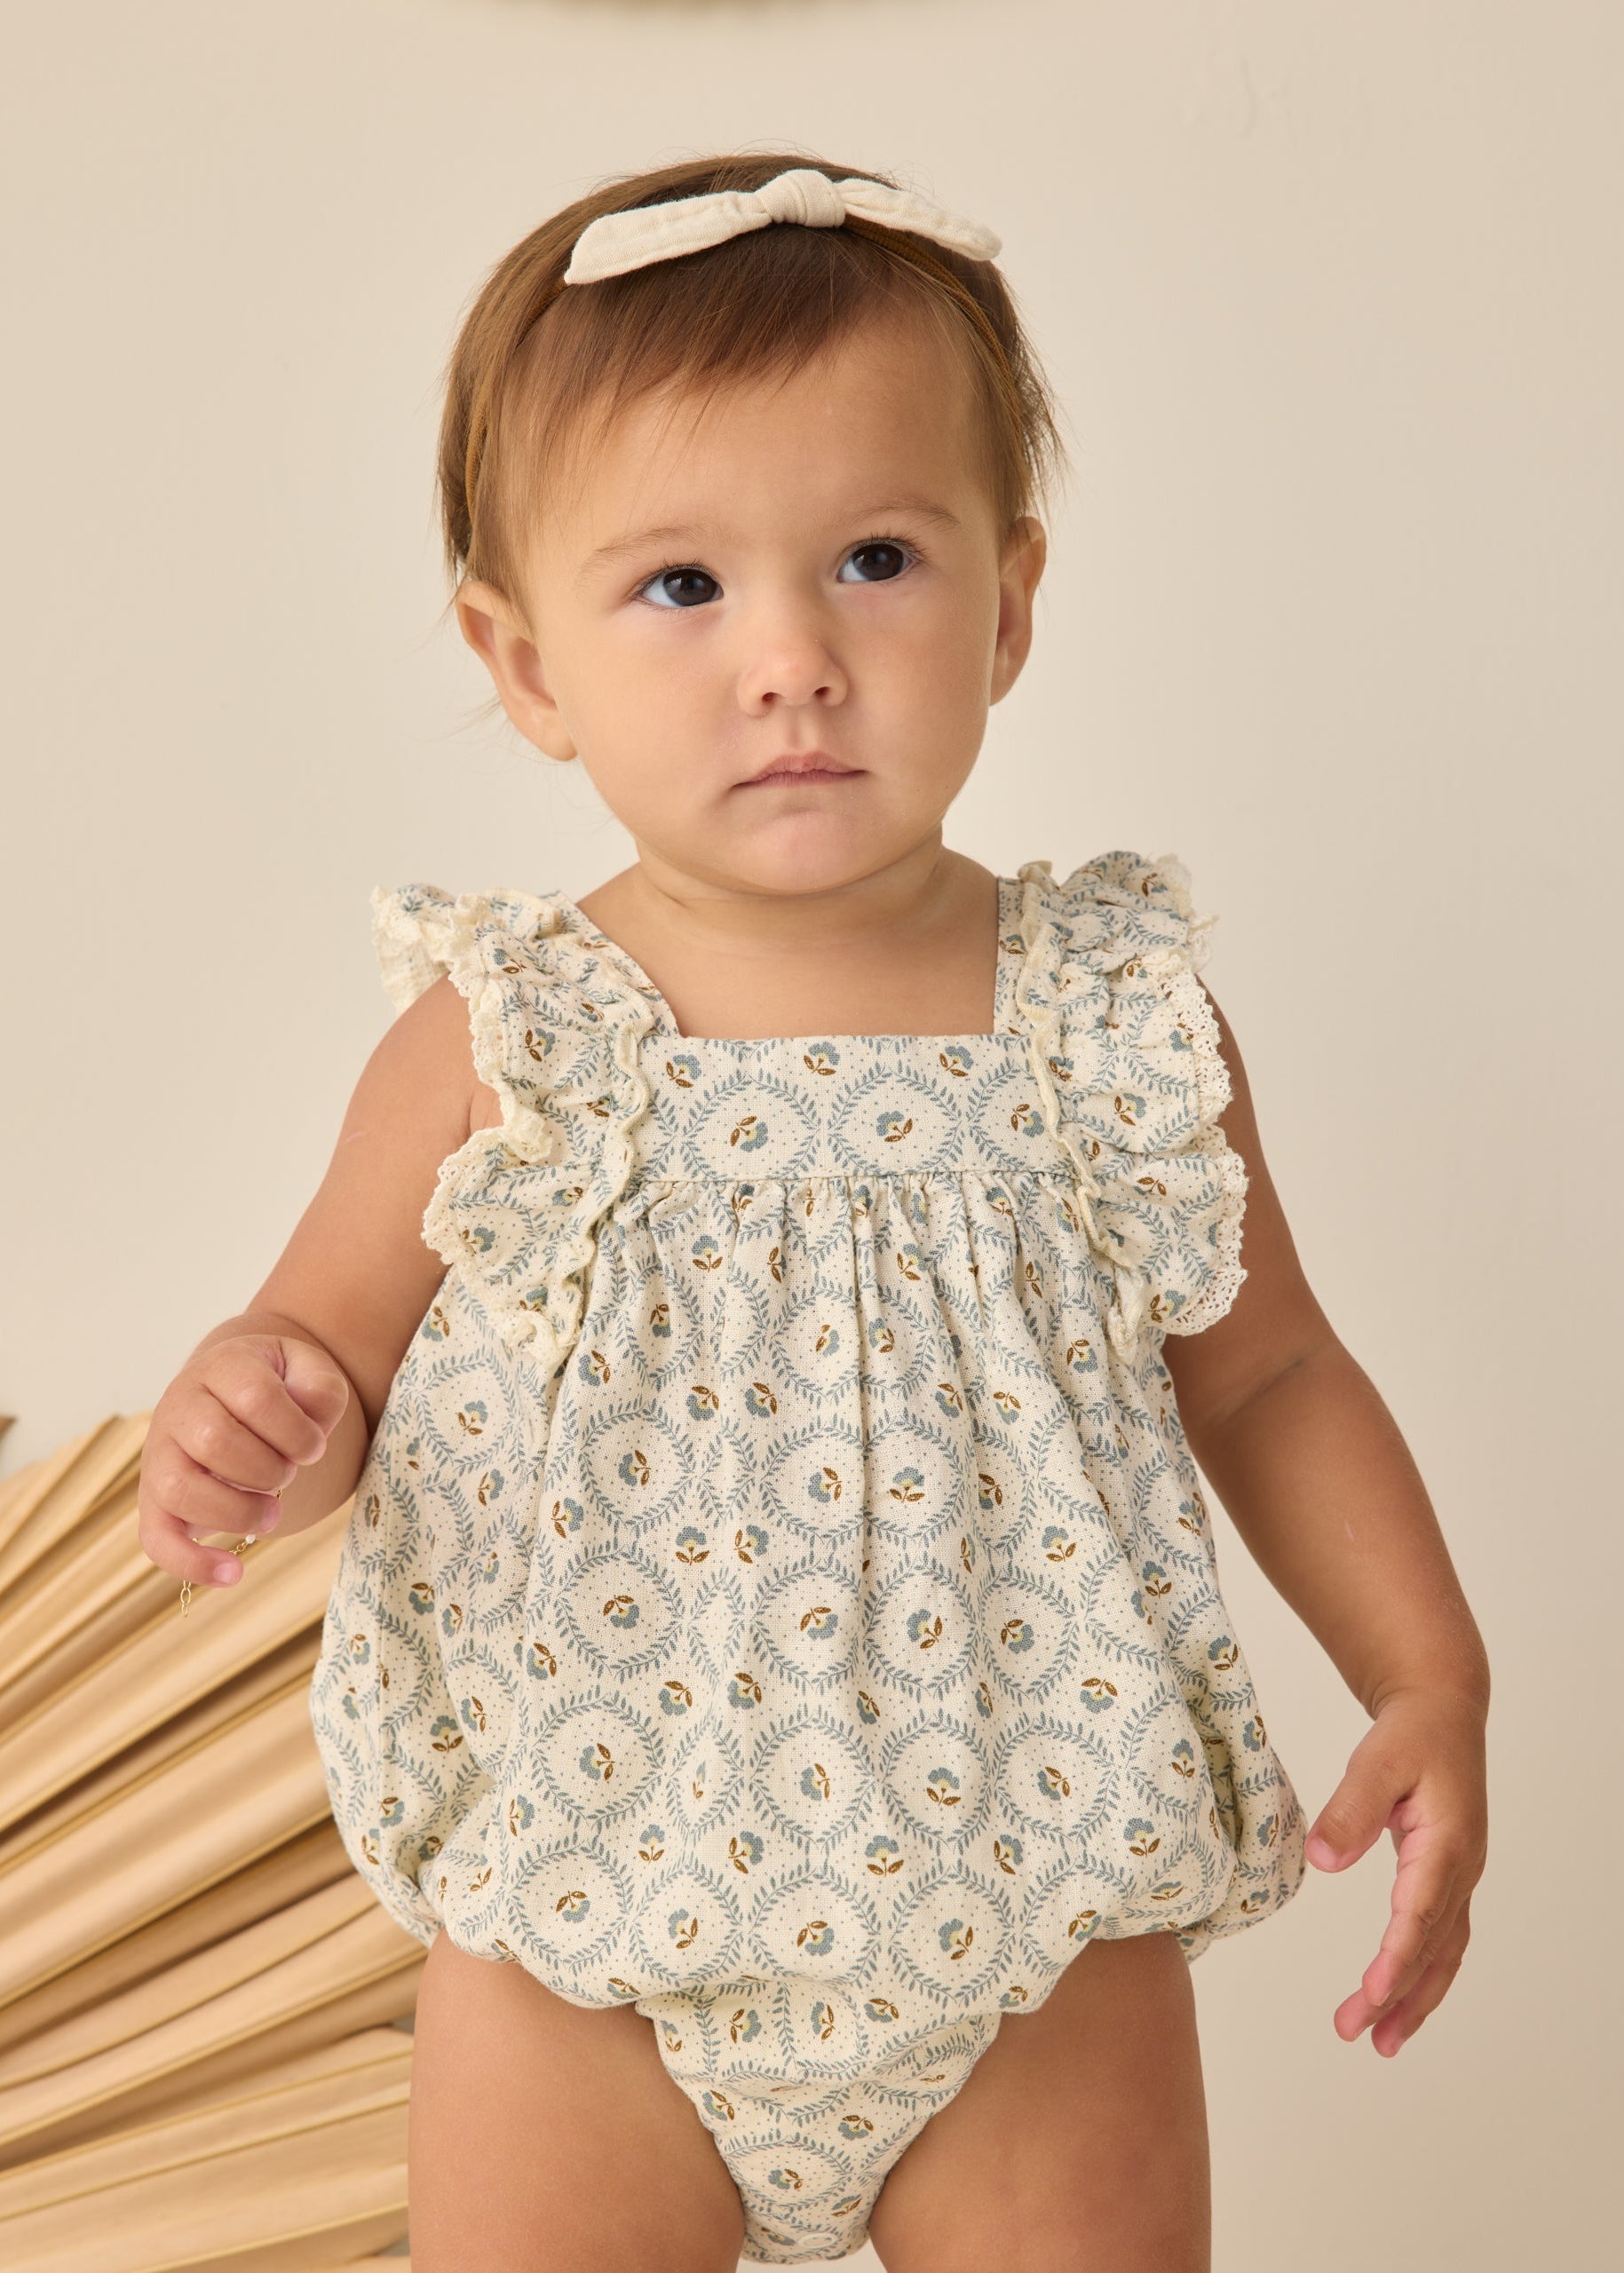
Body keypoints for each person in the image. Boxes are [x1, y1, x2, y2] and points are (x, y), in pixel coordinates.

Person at [136, 154, 1490, 2273]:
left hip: (1031, 1902)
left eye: (874, 557)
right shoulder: (511, 1038)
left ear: (1012, 602)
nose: (791, 658)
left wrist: (1425, 1666)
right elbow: (327, 1367)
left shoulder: (1114, 1017)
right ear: (524, 661)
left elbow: (1278, 1366)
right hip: (592, 1925)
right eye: (681, 586)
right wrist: (259, 1412)